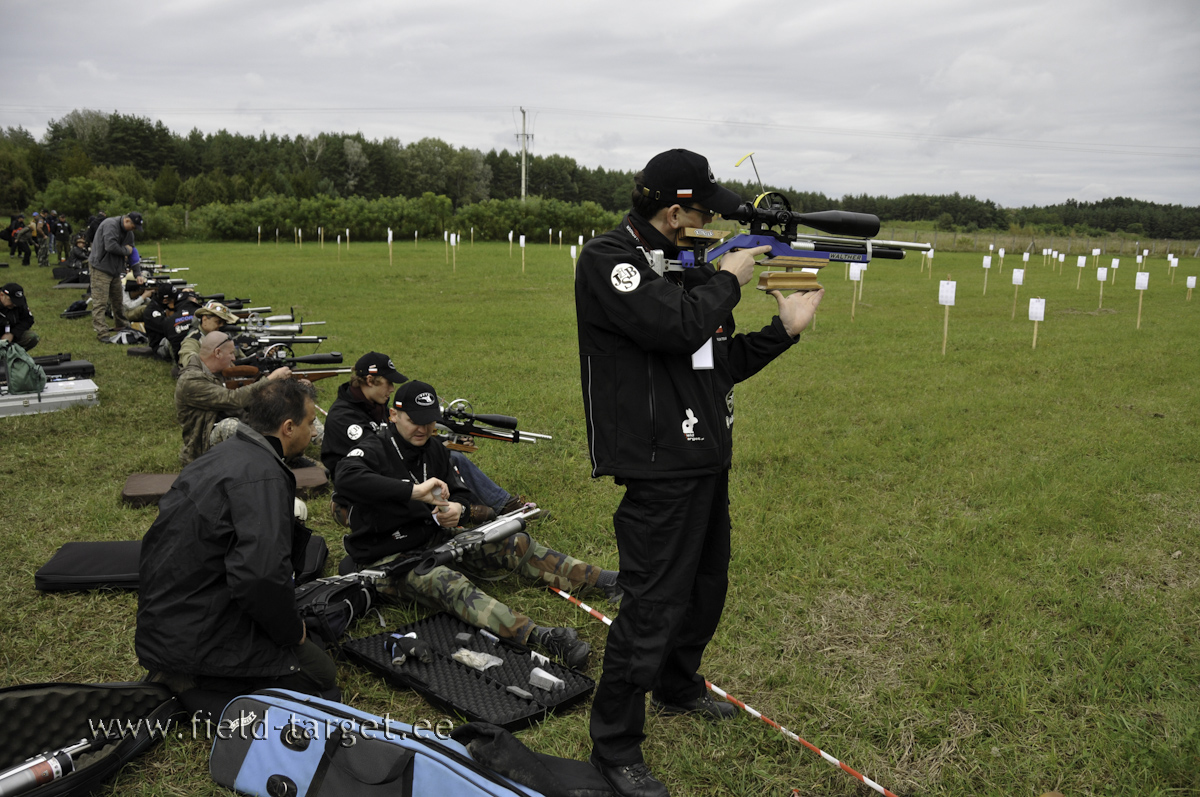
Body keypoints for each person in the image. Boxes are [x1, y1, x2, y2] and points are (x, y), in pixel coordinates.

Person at [574, 149, 823, 796]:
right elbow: (673, 327)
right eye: (704, 212)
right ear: (673, 210)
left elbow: (717, 363)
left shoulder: (689, 270)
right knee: (652, 602)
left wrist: (785, 331)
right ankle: (614, 746)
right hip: (658, 462)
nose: (711, 222)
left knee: (706, 587)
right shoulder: (611, 259)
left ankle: (677, 684)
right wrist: (730, 278)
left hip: (704, 455)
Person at [335, 380, 620, 668]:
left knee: (513, 543)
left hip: (435, 540)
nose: (423, 428)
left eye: (429, 421)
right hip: (387, 559)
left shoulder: (435, 449)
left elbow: (461, 493)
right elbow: (346, 477)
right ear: (393, 416)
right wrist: (414, 491)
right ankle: (540, 637)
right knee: (450, 584)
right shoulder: (374, 448)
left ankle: (606, 580)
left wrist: (459, 510)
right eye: (414, 421)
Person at [136, 379, 338, 704]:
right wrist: (292, 633)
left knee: (312, 639)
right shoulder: (263, 475)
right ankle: (192, 683)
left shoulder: (225, 454)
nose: (313, 431)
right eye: (310, 423)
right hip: (197, 634)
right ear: (288, 428)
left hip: (171, 619)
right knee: (322, 678)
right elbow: (260, 576)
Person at [322, 351, 527, 519]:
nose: (392, 389)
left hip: (392, 467)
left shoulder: (377, 404)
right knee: (450, 458)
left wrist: (445, 440)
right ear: (369, 380)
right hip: (364, 482)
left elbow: (399, 438)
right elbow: (381, 449)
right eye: (388, 383)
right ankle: (477, 508)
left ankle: (480, 506)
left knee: (445, 457)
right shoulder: (344, 416)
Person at [175, 330, 292, 465]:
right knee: (229, 426)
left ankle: (291, 454)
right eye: (231, 353)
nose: (233, 358)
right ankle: (273, 459)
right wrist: (270, 380)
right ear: (218, 353)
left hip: (230, 441)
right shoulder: (191, 380)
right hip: (200, 451)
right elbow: (233, 399)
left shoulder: (219, 373)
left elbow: (247, 400)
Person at [88, 211, 145, 342]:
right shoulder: (110, 225)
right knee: (100, 302)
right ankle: (102, 332)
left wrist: (137, 274)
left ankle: (122, 325)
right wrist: (126, 250)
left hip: (115, 270)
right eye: (133, 226)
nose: (134, 230)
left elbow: (133, 252)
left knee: (118, 301)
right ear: (127, 221)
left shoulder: (129, 233)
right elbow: (110, 246)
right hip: (100, 268)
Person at [177, 300, 239, 367]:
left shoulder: (225, 338)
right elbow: (190, 363)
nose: (221, 326)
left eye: (224, 323)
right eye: (218, 322)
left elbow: (239, 357)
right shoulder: (193, 340)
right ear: (205, 319)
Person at [0, 283, 38, 351]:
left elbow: (28, 319)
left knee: (32, 337)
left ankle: (14, 355)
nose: (15, 304)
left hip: (12, 335)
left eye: (17, 301)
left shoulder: (19, 302)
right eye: (11, 300)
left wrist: (12, 333)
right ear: (1, 295)